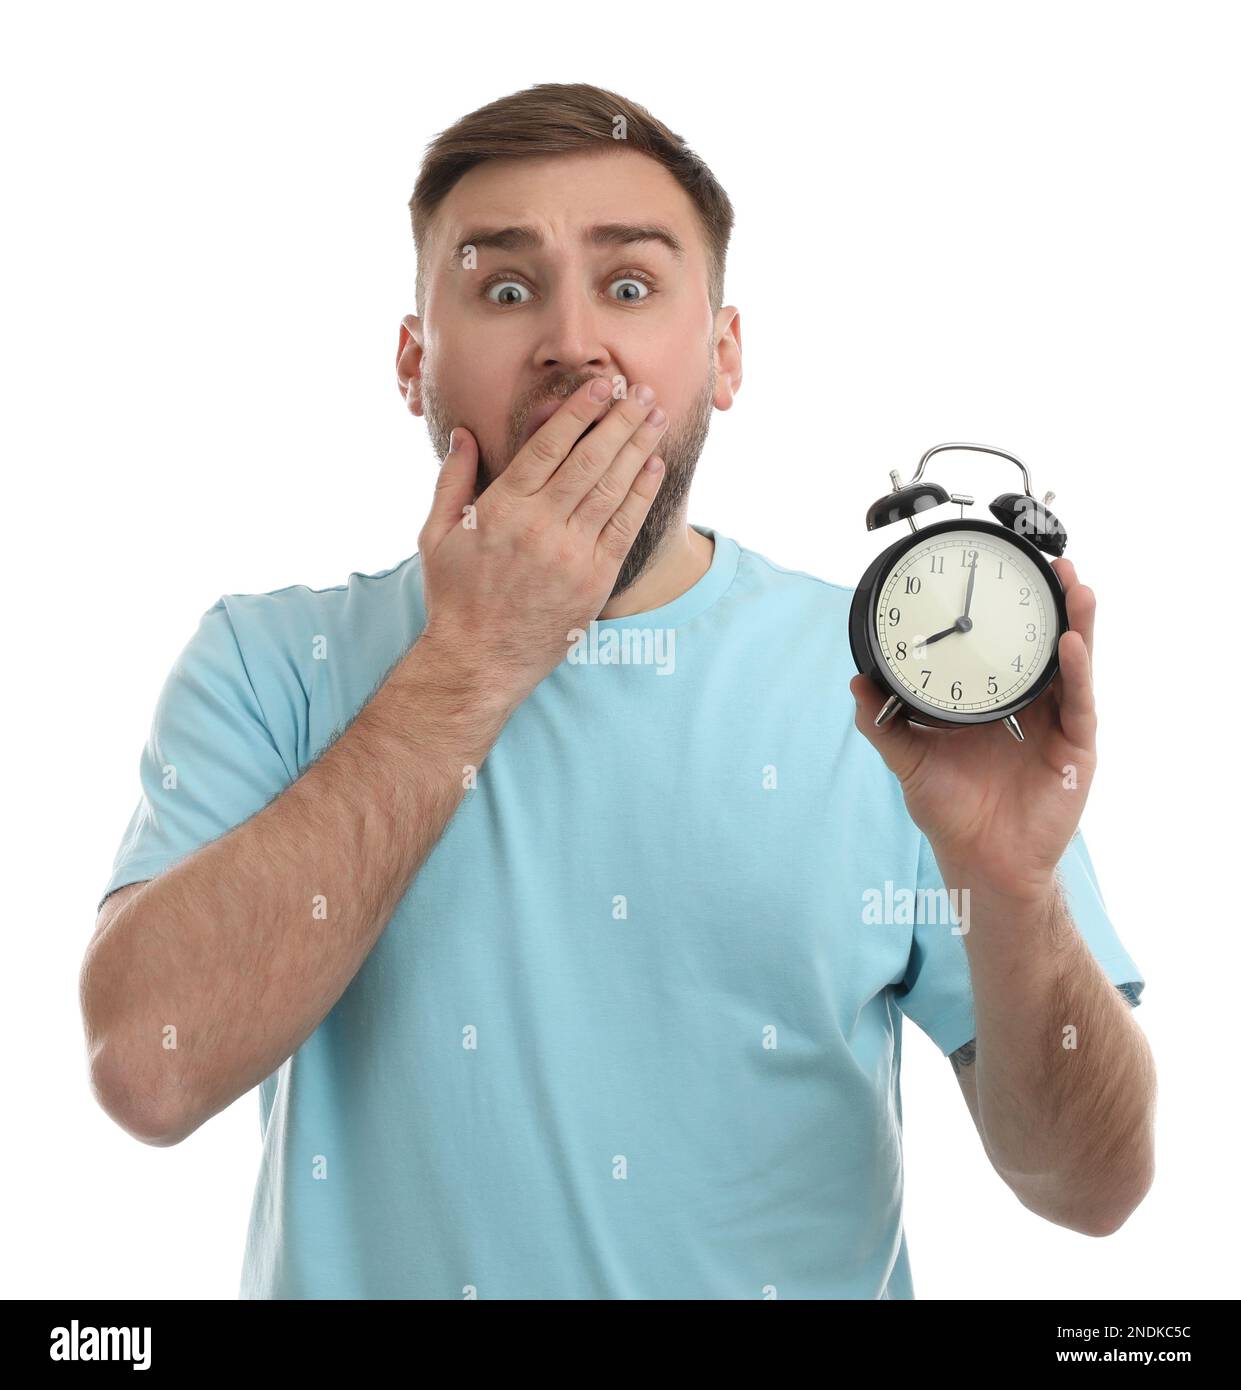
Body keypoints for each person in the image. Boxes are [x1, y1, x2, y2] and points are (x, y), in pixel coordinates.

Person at [82, 82, 1155, 1300]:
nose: (571, 343)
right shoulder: (269, 664)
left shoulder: (889, 691)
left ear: (725, 354)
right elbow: (148, 1073)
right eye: (502, 287)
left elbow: (1091, 1191)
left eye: (632, 287)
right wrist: (474, 659)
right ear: (411, 359)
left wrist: (1011, 892)